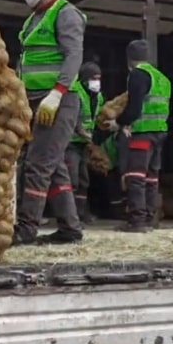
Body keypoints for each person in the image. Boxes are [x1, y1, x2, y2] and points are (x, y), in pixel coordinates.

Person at [13, 0, 86, 245]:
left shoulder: (66, 13)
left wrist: (57, 93)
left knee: (38, 164)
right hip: (35, 101)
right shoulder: (33, 18)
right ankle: (70, 229)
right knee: (54, 167)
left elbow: (74, 56)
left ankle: (27, 229)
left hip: (58, 101)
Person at [103, 40, 171, 232]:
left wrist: (118, 123)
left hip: (142, 133)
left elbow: (134, 108)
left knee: (136, 177)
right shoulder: (163, 79)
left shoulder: (137, 75)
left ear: (129, 59)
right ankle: (149, 219)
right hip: (160, 133)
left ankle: (137, 221)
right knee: (151, 178)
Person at [66, 61, 104, 225]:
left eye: (99, 78)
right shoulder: (75, 91)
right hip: (71, 142)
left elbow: (100, 117)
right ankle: (70, 216)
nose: (97, 82)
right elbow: (72, 119)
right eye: (94, 78)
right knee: (72, 179)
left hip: (84, 144)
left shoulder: (98, 96)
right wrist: (85, 135)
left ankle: (81, 213)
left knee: (83, 180)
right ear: (84, 78)